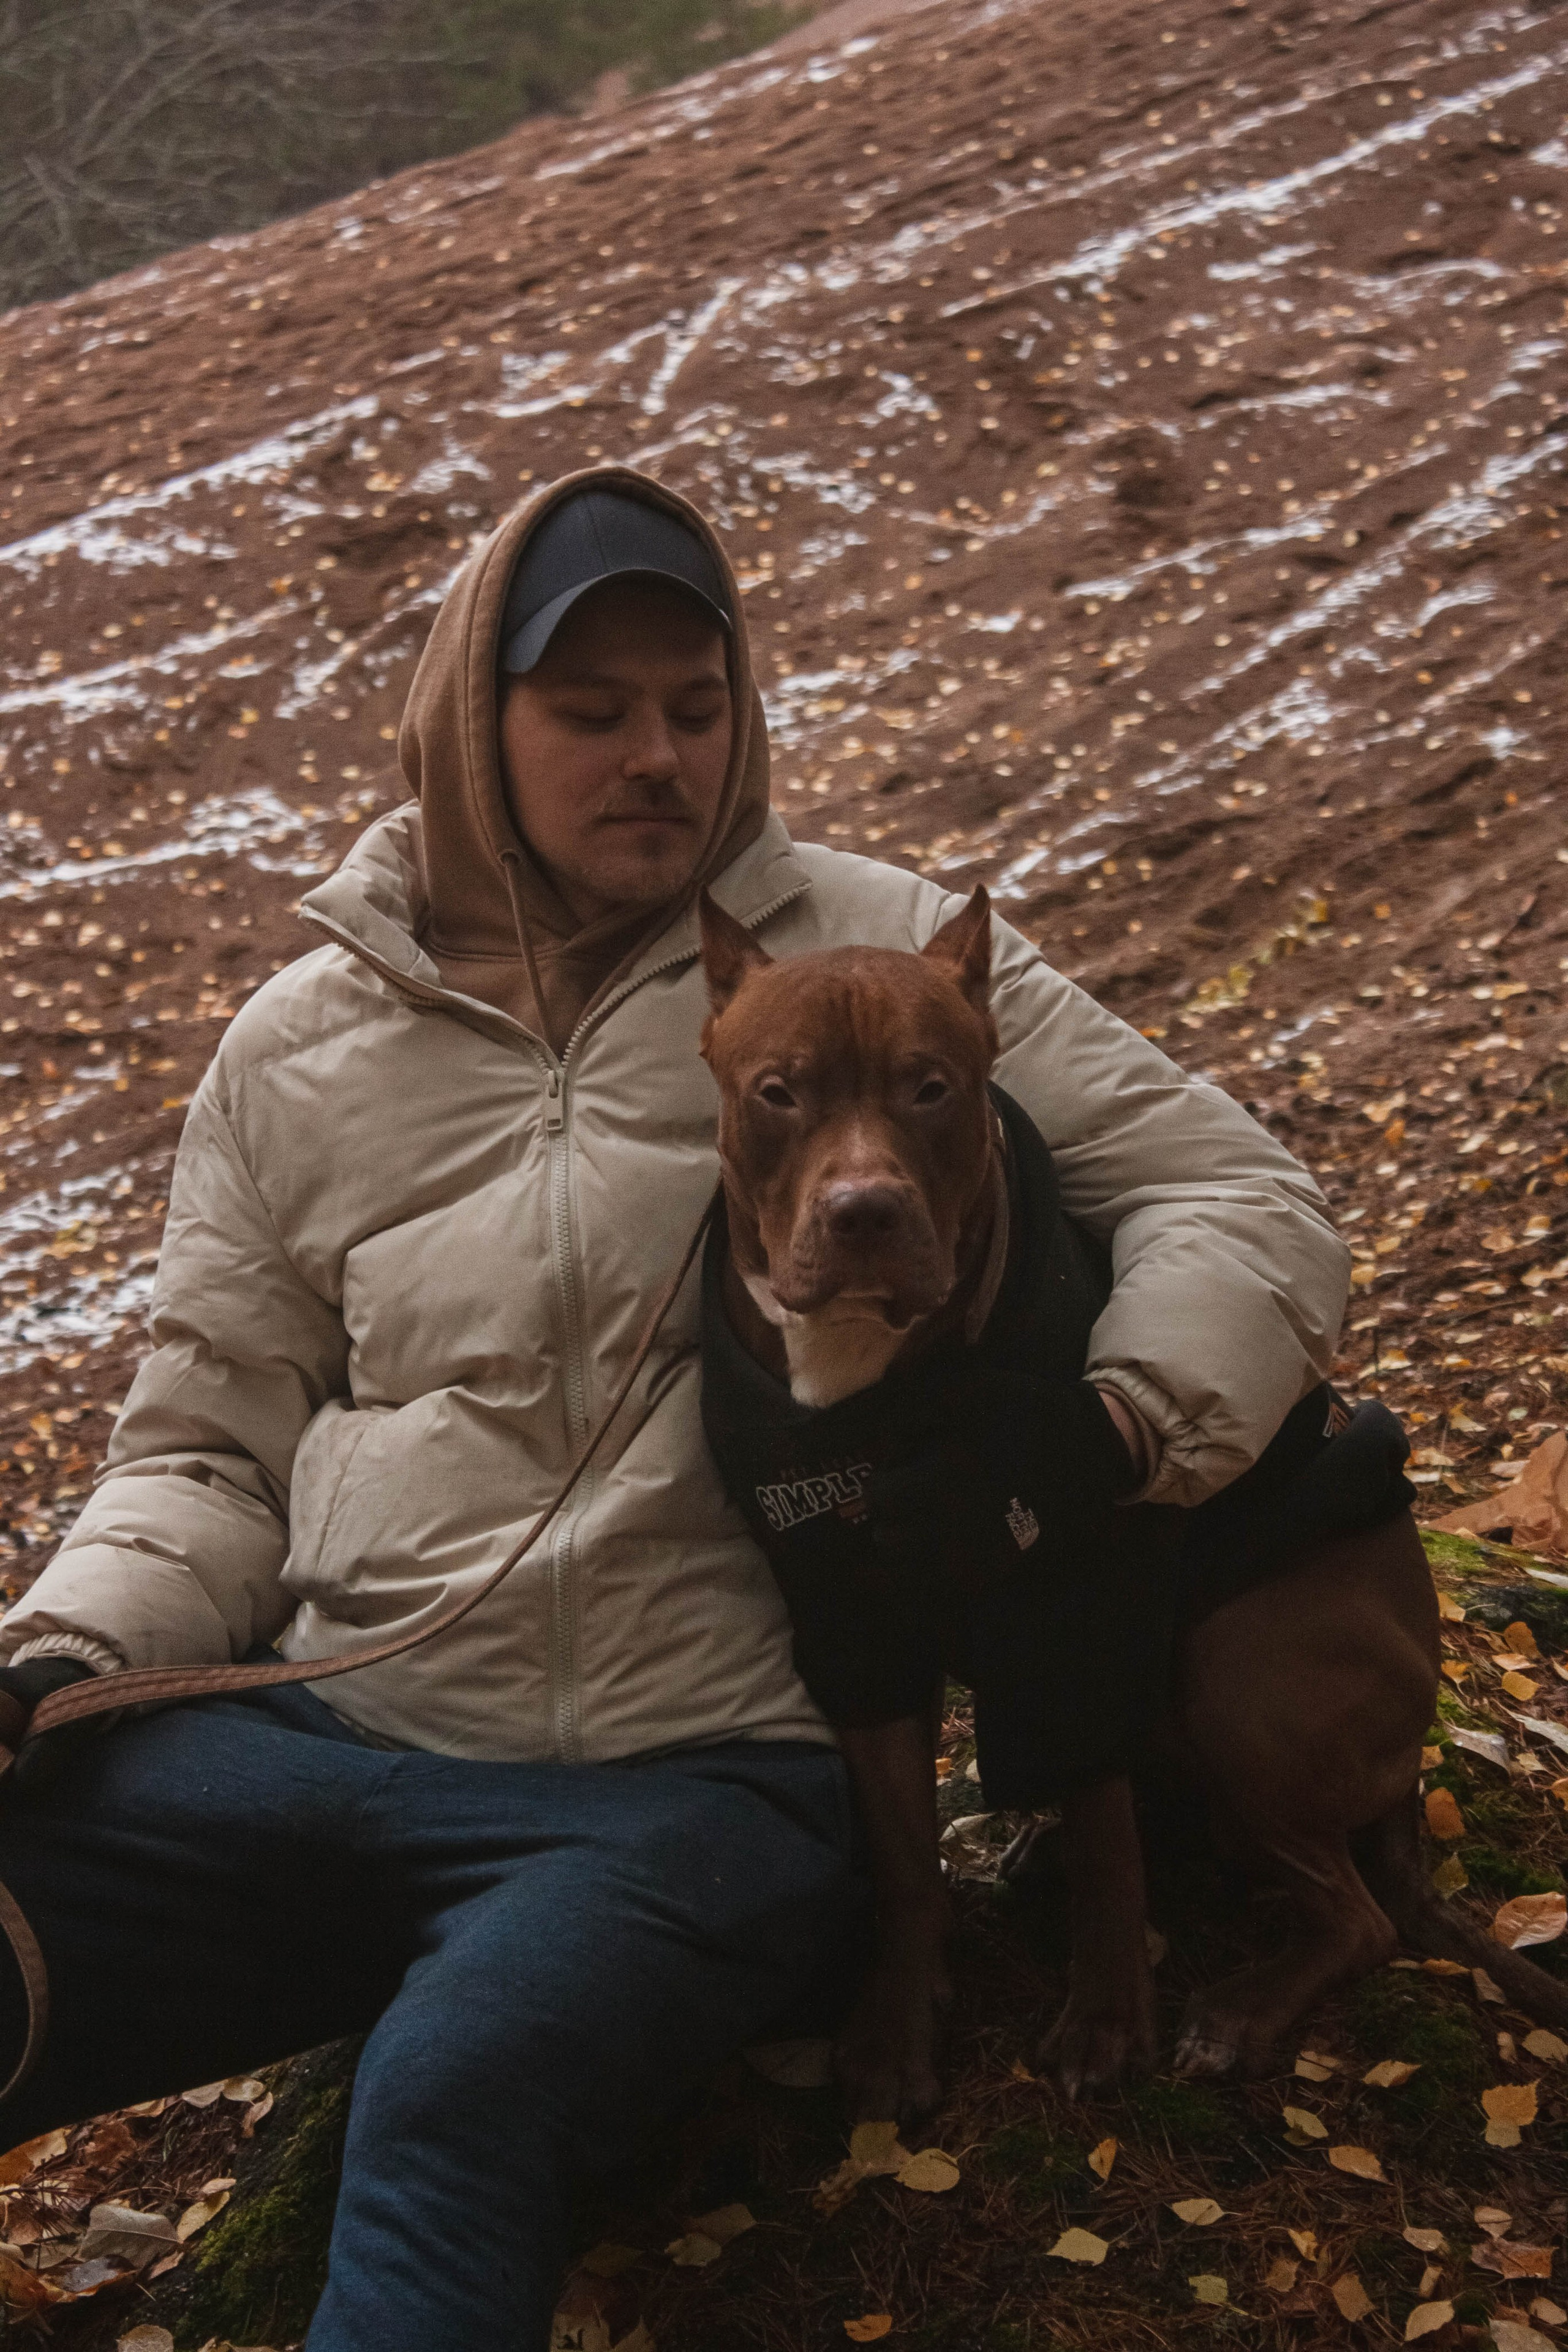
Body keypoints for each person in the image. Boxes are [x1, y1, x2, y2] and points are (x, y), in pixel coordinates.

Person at [0, 470, 1350, 2349]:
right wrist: (64, 1650)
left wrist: (1121, 1426)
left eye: (698, 708)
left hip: (700, 1780)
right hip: (329, 1738)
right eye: (591, 711)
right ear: (473, 729)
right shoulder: (297, 1048)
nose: (659, 756)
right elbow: (207, 1450)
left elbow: (1244, 1197)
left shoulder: (867, 957)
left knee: (457, 2099)